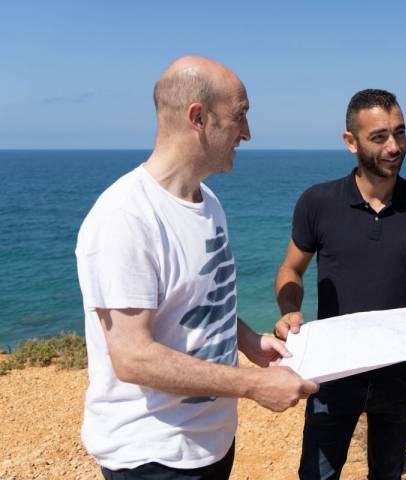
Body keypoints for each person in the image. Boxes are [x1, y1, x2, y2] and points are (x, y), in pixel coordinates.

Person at [75, 55, 318, 480]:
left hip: (210, 444)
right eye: (240, 116)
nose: (247, 133)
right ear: (198, 117)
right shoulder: (125, 217)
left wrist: (249, 341)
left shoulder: (207, 202)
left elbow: (203, 300)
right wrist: (252, 385)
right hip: (153, 457)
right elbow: (133, 358)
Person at [273, 89, 406, 480]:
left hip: (399, 374)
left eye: (400, 133)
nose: (394, 147)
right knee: (317, 475)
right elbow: (290, 270)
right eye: (379, 137)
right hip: (332, 372)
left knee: (388, 474)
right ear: (350, 142)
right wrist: (290, 309)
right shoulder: (317, 202)